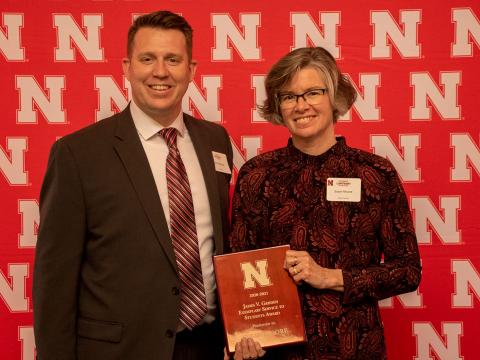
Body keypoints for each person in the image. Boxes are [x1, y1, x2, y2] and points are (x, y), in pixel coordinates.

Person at [33, 10, 233, 360]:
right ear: (127, 67)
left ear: (192, 70)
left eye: (173, 59)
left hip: (207, 346)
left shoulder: (215, 140)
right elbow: (54, 283)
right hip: (122, 350)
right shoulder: (77, 154)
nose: (160, 72)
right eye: (147, 59)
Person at [228, 47, 422, 360]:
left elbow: (408, 271)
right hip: (276, 352)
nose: (300, 105)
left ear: (333, 97)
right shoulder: (257, 175)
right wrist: (241, 336)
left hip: (357, 348)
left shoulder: (375, 172)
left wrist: (330, 277)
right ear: (279, 107)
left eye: (312, 92)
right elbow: (238, 269)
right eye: (288, 96)